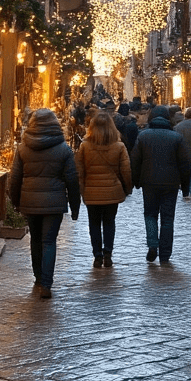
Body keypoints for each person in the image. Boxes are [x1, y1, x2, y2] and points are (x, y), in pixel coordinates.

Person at [7, 108, 81, 299]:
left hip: (30, 201)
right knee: (49, 241)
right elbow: (72, 180)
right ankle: (46, 284)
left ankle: (39, 278)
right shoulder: (64, 149)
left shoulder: (23, 148)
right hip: (54, 202)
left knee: (36, 240)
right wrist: (75, 207)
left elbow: (15, 178)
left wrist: (15, 202)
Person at [130, 105, 191, 264]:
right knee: (167, 218)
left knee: (150, 215)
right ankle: (165, 253)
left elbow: (135, 162)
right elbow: (185, 164)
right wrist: (185, 187)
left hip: (149, 183)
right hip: (170, 184)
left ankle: (152, 245)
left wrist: (136, 181)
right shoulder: (176, 137)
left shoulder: (143, 136)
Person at [76, 111, 132, 268]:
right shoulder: (119, 146)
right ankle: (108, 254)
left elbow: (80, 172)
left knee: (93, 224)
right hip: (112, 191)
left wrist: (82, 190)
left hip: (92, 192)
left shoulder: (85, 146)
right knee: (109, 222)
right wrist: (127, 188)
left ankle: (97, 256)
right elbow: (126, 170)